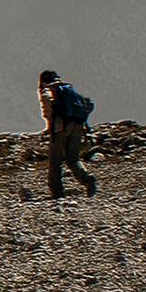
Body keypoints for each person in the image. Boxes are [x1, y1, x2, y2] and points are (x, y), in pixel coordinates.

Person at [38, 69, 98, 199]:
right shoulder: (69, 89)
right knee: (73, 158)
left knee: (55, 161)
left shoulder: (48, 90)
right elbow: (89, 104)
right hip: (77, 127)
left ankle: (57, 192)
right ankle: (87, 179)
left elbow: (47, 105)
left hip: (59, 128)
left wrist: (50, 121)